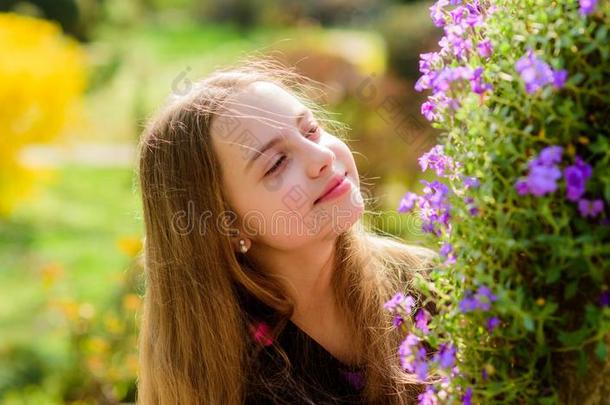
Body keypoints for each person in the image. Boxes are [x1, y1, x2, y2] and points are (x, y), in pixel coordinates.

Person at [136, 59, 437, 404]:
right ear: (228, 225)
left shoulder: (429, 283)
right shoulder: (238, 385)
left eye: (311, 130)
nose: (320, 156)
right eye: (277, 163)